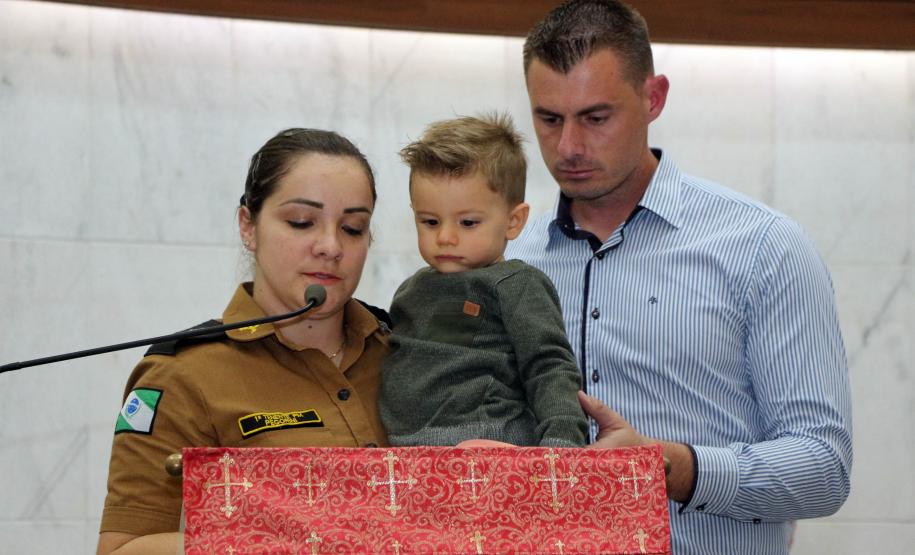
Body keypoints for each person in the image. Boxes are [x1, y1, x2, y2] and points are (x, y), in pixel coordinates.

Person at [506, 1, 853, 553]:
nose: (568, 147)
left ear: (654, 98)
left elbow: (824, 468)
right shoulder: (510, 262)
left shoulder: (763, 248)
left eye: (596, 118)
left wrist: (671, 467)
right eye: (549, 119)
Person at [97, 128, 389, 555]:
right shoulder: (183, 374)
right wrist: (281, 543)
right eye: (301, 222)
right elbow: (123, 549)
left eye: (353, 228)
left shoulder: (410, 352)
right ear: (248, 226)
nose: (331, 246)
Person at [379, 113, 588, 447]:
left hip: (491, 448)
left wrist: (561, 448)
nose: (445, 237)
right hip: (405, 453)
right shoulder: (410, 291)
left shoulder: (516, 283)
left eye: (468, 223)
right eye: (430, 222)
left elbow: (549, 367)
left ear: (513, 221)